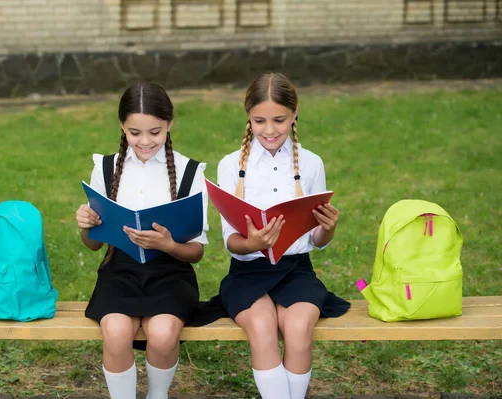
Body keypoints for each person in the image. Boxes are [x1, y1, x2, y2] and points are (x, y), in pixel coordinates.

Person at [216, 73, 350, 399]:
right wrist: (252, 244)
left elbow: (317, 240)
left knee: (299, 328)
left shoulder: (311, 163)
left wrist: (327, 229)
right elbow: (230, 241)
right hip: (248, 272)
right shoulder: (231, 165)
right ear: (248, 116)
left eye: (279, 120)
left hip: (296, 270)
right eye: (259, 120)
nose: (270, 129)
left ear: (295, 114)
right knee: (261, 327)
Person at [75, 83, 210, 399]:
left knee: (163, 335)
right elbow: (94, 244)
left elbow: (196, 252)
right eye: (135, 133)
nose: (145, 141)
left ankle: (157, 395)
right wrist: (86, 226)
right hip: (119, 271)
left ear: (169, 124)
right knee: (116, 332)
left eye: (155, 132)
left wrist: (168, 245)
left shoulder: (191, 173)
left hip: (171, 273)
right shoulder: (107, 168)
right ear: (122, 126)